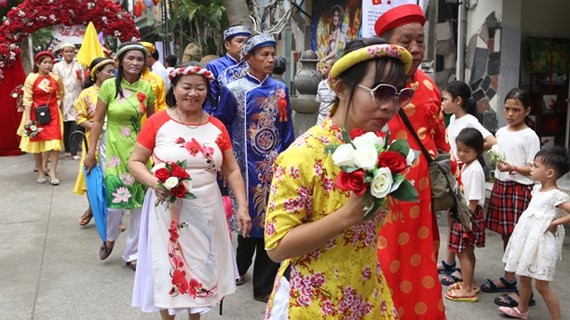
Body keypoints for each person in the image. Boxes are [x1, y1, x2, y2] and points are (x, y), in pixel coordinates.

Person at [263, 37, 413, 319]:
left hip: (366, 296)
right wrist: (346, 216)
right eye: (381, 92)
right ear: (342, 88)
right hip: (311, 301)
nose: (390, 106)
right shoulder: (304, 155)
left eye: (399, 95)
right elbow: (277, 246)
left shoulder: (375, 148)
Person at [129, 62, 252, 320]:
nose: (193, 93)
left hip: (208, 206)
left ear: (207, 92)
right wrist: (155, 183)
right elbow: (135, 162)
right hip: (167, 208)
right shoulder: (157, 122)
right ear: (174, 89)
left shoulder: (217, 126)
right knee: (169, 265)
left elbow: (231, 170)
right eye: (186, 87)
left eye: (200, 88)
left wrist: (242, 207)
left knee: (203, 265)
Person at [374, 4, 455, 318]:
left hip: (421, 203)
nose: (415, 49)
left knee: (418, 266)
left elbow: (441, 143)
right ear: (386, 44)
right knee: (381, 265)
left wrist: (455, 189)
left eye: (420, 41)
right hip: (379, 200)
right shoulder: (371, 87)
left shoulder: (430, 87)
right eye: (406, 40)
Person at [215, 33, 295, 302]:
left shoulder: (280, 89)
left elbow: (286, 129)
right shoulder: (234, 89)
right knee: (247, 223)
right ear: (248, 58)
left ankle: (264, 285)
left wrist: (288, 159)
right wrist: (223, 162)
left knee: (272, 221)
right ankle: (238, 267)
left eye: (273, 54)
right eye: (264, 55)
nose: (271, 59)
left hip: (273, 166)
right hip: (242, 167)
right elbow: (221, 124)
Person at [84, 42, 155, 270]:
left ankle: (132, 254)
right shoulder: (108, 87)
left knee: (138, 204)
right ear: (120, 61)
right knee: (115, 204)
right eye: (130, 58)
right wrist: (91, 152)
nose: (135, 63)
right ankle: (110, 236)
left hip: (139, 150)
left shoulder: (147, 88)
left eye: (140, 59)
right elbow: (96, 122)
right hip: (112, 148)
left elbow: (152, 123)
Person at [481, 88, 540, 303]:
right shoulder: (501, 132)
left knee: (520, 238)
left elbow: (535, 169)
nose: (511, 113)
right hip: (502, 186)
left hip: (520, 190)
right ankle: (509, 278)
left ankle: (526, 293)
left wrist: (512, 167)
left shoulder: (530, 136)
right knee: (507, 235)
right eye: (507, 108)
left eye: (517, 109)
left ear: (527, 111)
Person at [499, 146, 570, 320]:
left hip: (542, 244)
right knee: (523, 277)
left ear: (550, 173)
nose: (531, 168)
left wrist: (555, 222)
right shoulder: (537, 189)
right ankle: (521, 310)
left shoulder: (556, 195)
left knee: (542, 286)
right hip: (529, 241)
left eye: (536, 166)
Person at [438, 80, 496, 282]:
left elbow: (491, 141)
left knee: (461, 224)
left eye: (445, 99)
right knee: (452, 220)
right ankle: (449, 262)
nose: (441, 103)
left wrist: (470, 155)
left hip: (464, 177)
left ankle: (459, 271)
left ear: (458, 100)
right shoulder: (453, 119)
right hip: (454, 176)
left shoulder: (470, 120)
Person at [443, 128, 486, 302]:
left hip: (467, 215)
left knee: (462, 253)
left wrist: (464, 220)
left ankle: (467, 288)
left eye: (466, 151)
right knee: (468, 251)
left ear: (477, 150)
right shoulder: (468, 165)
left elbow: (473, 200)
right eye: (459, 149)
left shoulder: (475, 170)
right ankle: (469, 282)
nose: (461, 154)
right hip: (465, 214)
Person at [74, 57, 116, 227]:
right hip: (93, 140)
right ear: (96, 73)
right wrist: (97, 126)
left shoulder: (116, 91)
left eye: (114, 72)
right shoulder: (86, 94)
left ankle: (111, 214)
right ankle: (94, 208)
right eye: (109, 71)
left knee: (111, 175)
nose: (112, 75)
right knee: (93, 176)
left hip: (114, 139)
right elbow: (79, 117)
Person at [19, 51, 64, 185]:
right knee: (36, 143)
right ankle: (40, 171)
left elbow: (61, 93)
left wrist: (56, 105)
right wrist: (28, 119)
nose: (48, 65)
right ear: (38, 64)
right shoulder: (31, 78)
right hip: (34, 114)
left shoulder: (56, 78)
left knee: (55, 143)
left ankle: (53, 172)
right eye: (45, 62)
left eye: (50, 62)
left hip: (53, 114)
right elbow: (27, 99)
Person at [204, 25, 252, 114]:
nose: (244, 45)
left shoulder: (253, 65)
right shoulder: (215, 66)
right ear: (227, 45)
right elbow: (210, 99)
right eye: (239, 41)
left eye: (247, 42)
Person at [52, 42, 84, 160]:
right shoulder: (57, 66)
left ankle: (74, 151)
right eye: (66, 51)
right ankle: (68, 149)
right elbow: (55, 83)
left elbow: (83, 82)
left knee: (76, 123)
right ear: (62, 53)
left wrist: (81, 78)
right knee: (65, 124)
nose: (69, 54)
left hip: (76, 96)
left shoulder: (79, 65)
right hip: (63, 98)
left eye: (71, 51)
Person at [140, 42, 168, 113]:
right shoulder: (125, 79)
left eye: (148, 56)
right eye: (141, 57)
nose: (145, 60)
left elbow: (162, 104)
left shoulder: (157, 79)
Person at [315, 57, 336, 125]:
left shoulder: (339, 86)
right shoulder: (321, 84)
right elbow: (318, 102)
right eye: (323, 67)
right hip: (321, 120)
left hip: (334, 121)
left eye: (326, 67)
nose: (324, 70)